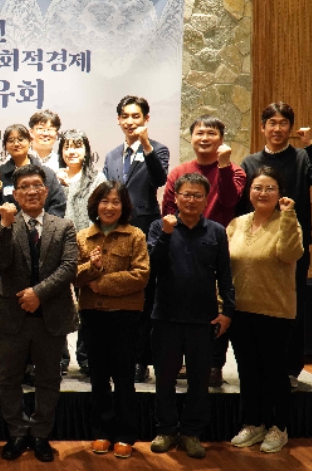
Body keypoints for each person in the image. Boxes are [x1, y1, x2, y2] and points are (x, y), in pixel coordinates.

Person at [0, 165, 78, 463]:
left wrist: (38, 293)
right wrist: (6, 226)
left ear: (46, 191)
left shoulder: (63, 226)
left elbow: (69, 267)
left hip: (51, 315)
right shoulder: (3, 225)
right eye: (24, 187)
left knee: (48, 378)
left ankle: (40, 434)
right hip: (11, 315)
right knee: (8, 378)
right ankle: (16, 432)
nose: (31, 191)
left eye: (37, 185)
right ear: (15, 194)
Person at [148, 172, 235, 459]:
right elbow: (153, 268)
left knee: (199, 381)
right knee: (164, 379)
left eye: (198, 195)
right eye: (186, 194)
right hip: (166, 317)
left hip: (203, 320)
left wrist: (227, 311)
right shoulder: (159, 227)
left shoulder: (216, 232)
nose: (191, 200)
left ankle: (191, 433)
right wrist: (166, 234)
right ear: (175, 197)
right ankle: (166, 430)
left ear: (206, 199)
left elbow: (225, 275)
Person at [0, 124, 67, 384]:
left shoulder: (45, 173)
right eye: (10, 140)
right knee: (11, 307)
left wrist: (41, 229)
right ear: (5, 145)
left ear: (30, 141)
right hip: (9, 249)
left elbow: (57, 206)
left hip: (42, 246)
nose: (16, 143)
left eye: (21, 139)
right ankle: (14, 363)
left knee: (41, 303)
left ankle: (47, 363)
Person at [162, 115, 246, 387]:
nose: (205, 138)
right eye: (200, 133)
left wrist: (223, 166)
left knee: (217, 305)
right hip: (182, 245)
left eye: (211, 133)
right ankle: (183, 360)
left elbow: (230, 200)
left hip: (217, 245)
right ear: (191, 138)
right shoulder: (180, 171)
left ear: (221, 139)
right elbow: (168, 208)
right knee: (183, 302)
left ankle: (214, 364)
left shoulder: (235, 171)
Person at [237, 102, 312, 388]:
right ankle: (259, 366)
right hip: (258, 245)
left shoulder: (302, 157)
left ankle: (290, 369)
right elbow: (242, 205)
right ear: (262, 127)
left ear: (290, 128)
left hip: (293, 242)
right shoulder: (250, 163)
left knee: (292, 305)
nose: (277, 128)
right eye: (272, 123)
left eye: (283, 123)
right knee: (257, 306)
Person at [227, 166, 303, 453]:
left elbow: (290, 253)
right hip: (240, 310)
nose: (263, 193)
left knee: (274, 372)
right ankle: (253, 422)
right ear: (249, 192)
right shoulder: (237, 224)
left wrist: (288, 215)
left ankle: (279, 427)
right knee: (248, 371)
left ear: (280, 193)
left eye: (270, 188)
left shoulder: (288, 221)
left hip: (275, 311)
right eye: (257, 187)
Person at [75, 181, 149, 459]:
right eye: (104, 201)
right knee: (98, 376)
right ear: (95, 205)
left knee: (124, 377)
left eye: (115, 202)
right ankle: (102, 431)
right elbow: (74, 275)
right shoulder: (83, 236)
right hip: (93, 315)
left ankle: (126, 434)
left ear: (124, 206)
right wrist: (91, 267)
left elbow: (141, 275)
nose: (109, 207)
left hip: (125, 316)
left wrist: (101, 284)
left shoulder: (135, 235)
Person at [103, 95, 169, 383]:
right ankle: (116, 357)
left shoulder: (158, 149)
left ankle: (141, 360)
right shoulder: (111, 156)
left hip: (144, 230)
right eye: (125, 116)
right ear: (118, 120)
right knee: (116, 295)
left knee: (144, 296)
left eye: (136, 116)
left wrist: (145, 145)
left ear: (146, 119)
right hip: (115, 231)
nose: (130, 121)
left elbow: (159, 180)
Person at [56, 129, 106, 376]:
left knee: (88, 304)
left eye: (77, 146)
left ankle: (86, 356)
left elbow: (101, 213)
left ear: (86, 150)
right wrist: (60, 185)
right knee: (59, 303)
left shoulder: (97, 179)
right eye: (67, 146)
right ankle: (60, 357)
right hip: (59, 247)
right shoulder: (54, 177)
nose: (72, 151)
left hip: (88, 246)